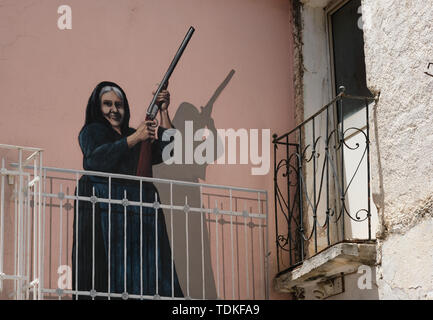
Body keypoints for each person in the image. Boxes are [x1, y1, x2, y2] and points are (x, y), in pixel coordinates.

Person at [72, 81, 183, 299]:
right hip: (104, 216)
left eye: (119, 105)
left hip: (138, 218)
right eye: (107, 104)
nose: (114, 110)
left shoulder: (136, 134)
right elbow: (95, 159)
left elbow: (171, 150)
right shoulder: (91, 131)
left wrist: (164, 111)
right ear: (97, 107)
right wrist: (135, 138)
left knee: (147, 276)